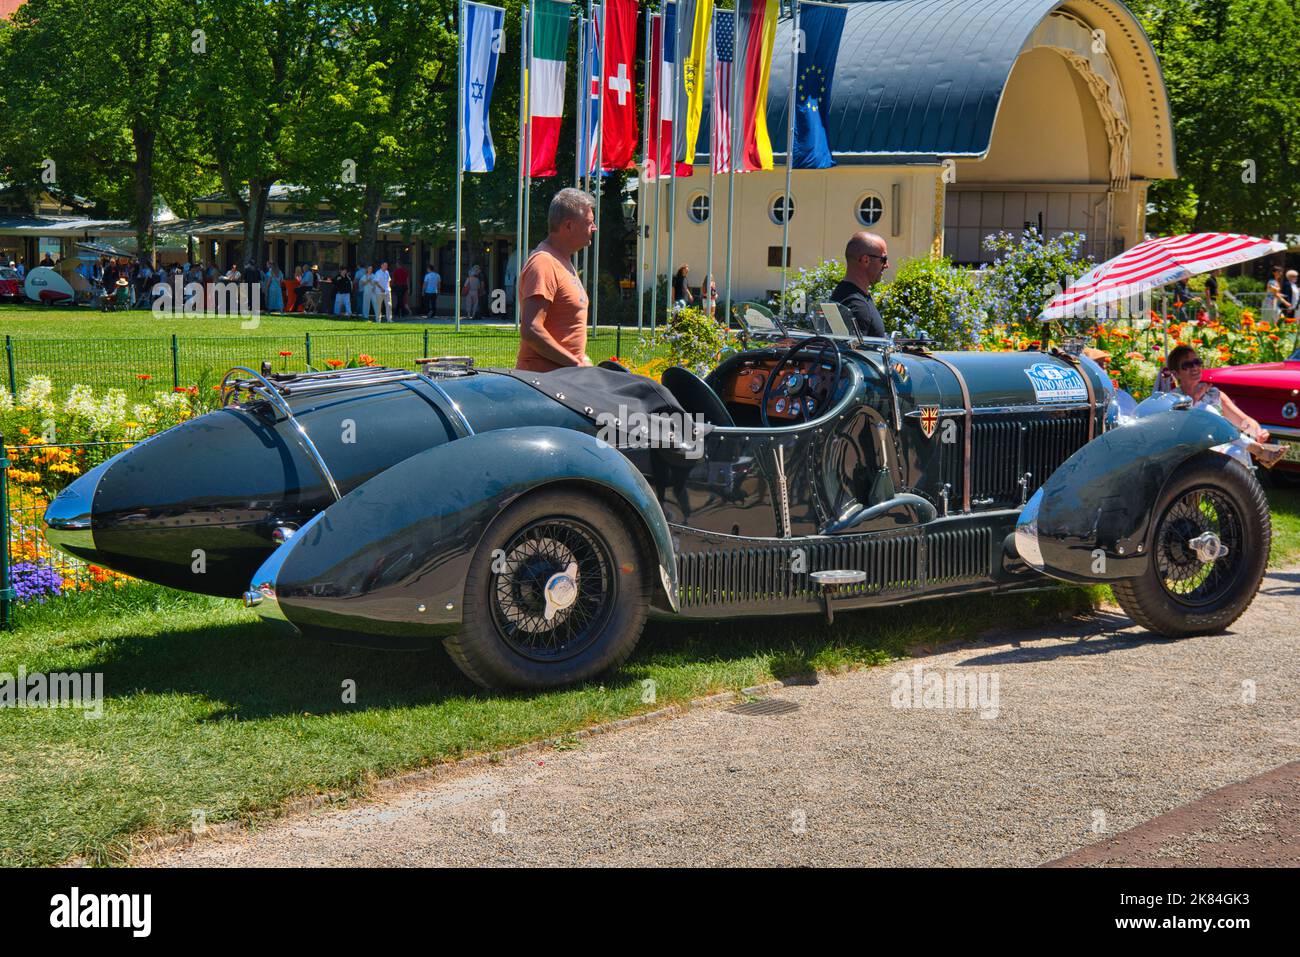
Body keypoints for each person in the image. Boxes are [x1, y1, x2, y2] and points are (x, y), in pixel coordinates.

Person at [1160, 344, 1285, 468]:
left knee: (1237, 452)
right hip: (1194, 452)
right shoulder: (1173, 398)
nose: (1195, 367)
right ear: (1176, 374)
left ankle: (1255, 450)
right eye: (1187, 365)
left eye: (1197, 362)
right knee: (1205, 410)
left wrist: (1257, 432)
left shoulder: (1214, 394)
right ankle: (1258, 451)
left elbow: (1242, 422)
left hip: (1222, 448)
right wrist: (1196, 398)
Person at [516, 187, 595, 372]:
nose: (594, 227)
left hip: (561, 380)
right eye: (589, 222)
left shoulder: (563, 261)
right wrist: (575, 364)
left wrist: (581, 357)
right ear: (568, 226)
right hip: (543, 386)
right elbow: (531, 330)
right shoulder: (543, 263)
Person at [830, 231, 888, 338]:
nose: (886, 265)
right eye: (883, 259)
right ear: (865, 260)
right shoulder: (857, 306)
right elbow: (855, 353)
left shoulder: (845, 294)